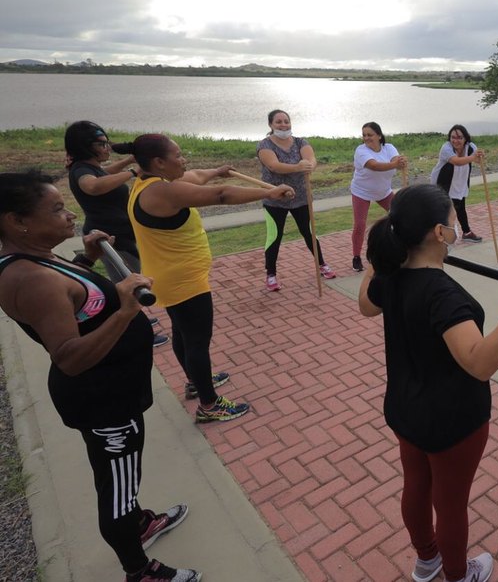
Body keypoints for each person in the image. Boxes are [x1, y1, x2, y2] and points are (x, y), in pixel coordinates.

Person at [0, 170, 200, 582]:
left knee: (120, 476)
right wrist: (127, 309)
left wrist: (87, 259)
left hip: (110, 391)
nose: (70, 215)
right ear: (16, 221)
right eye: (56, 209)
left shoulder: (36, 257)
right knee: (117, 492)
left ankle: (140, 525)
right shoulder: (32, 279)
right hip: (103, 398)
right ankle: (139, 570)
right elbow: (69, 357)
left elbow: (73, 305)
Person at [358, 184, 498, 582]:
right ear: (439, 233)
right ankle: (459, 576)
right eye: (450, 221)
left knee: (416, 485)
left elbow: (366, 305)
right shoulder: (443, 296)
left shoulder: (392, 276)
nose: (455, 227)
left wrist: (376, 262)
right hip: (452, 422)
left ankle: (427, 561)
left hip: (406, 410)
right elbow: (479, 364)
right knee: (450, 503)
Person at [118, 134, 294, 422]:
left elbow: (197, 176)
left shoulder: (148, 185)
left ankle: (194, 381)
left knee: (183, 334)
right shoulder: (163, 193)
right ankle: (210, 404)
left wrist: (216, 170)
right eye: (178, 155)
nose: (183, 159)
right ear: (159, 162)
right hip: (183, 281)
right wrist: (268, 193)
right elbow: (221, 195)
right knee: (197, 341)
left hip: (169, 277)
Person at [64, 120, 168, 348]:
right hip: (110, 237)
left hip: (119, 233)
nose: (106, 148)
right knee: (130, 286)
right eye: (101, 144)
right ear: (85, 146)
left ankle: (136, 321)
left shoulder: (89, 167)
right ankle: (136, 332)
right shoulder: (82, 171)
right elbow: (93, 186)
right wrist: (132, 171)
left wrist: (130, 159)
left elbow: (104, 174)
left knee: (126, 281)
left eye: (107, 143)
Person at [256, 109, 336, 292]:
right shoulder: (264, 145)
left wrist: (309, 166)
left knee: (309, 232)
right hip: (275, 198)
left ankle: (322, 264)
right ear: (270, 125)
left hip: (301, 197)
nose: (283, 125)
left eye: (286, 121)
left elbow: (311, 159)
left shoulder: (301, 142)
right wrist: (297, 167)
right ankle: (271, 274)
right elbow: (273, 166)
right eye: (279, 122)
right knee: (274, 236)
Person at [350, 121, 407, 271]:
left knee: (401, 215)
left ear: (379, 136)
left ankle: (402, 248)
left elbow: (396, 161)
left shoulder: (389, 148)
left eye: (370, 135)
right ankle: (356, 257)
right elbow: (374, 166)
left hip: (383, 191)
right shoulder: (360, 151)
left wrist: (400, 162)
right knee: (360, 224)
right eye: (364, 135)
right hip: (361, 191)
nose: (366, 138)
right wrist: (395, 164)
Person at [430, 124, 484, 243]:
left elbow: (478, 161)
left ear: (465, 138)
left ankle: (466, 232)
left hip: (460, 181)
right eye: (453, 137)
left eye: (459, 137)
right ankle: (438, 235)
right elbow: (456, 161)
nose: (456, 140)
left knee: (460, 207)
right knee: (444, 210)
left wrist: (480, 157)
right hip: (443, 182)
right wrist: (473, 157)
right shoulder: (446, 148)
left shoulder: (470, 147)